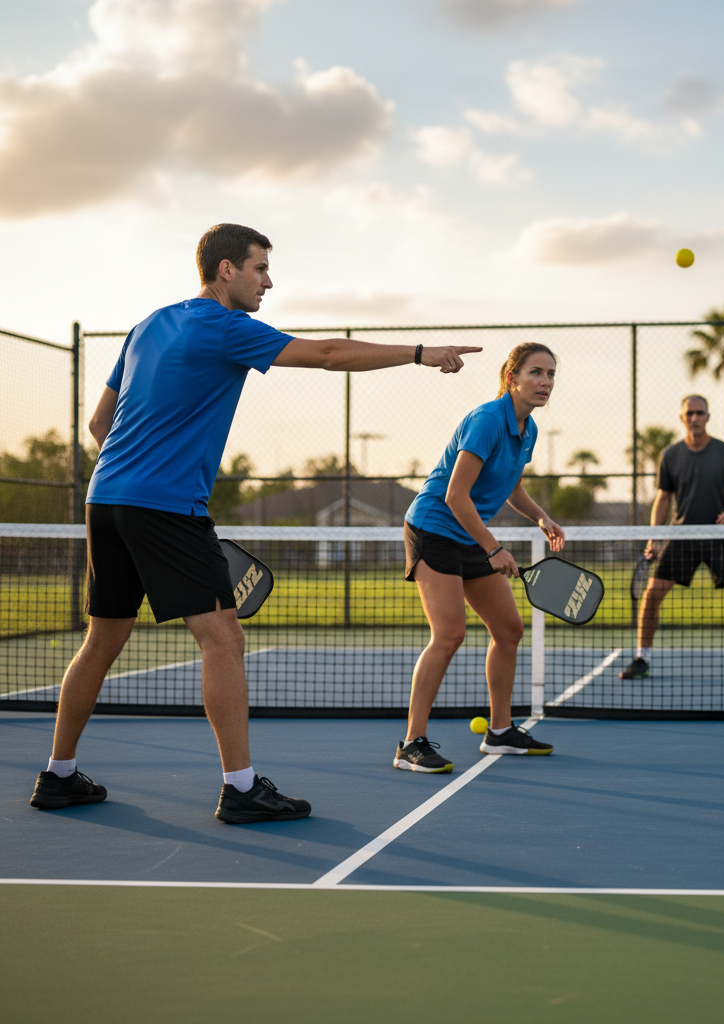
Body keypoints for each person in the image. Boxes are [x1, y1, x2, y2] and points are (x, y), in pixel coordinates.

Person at [29, 223, 481, 823]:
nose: (268, 280)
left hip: (106, 497)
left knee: (104, 638)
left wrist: (142, 459)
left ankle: (58, 776)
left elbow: (98, 424)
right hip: (166, 506)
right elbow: (327, 354)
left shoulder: (148, 325)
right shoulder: (225, 327)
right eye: (260, 268)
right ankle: (240, 789)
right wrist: (422, 353)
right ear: (225, 270)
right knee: (223, 638)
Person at [396, 343, 565, 773]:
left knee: (508, 629)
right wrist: (493, 548)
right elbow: (455, 495)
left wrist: (541, 518)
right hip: (434, 527)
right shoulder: (489, 420)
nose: (545, 381)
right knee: (450, 634)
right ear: (512, 378)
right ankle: (411, 742)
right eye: (536, 373)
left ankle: (501, 731)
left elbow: (510, 486)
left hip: (469, 532)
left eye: (550, 374)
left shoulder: (527, 430)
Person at [619, 394, 724, 682]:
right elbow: (663, 499)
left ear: (708, 417)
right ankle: (642, 658)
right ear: (682, 417)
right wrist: (656, 536)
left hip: (721, 537)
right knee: (651, 596)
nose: (694, 418)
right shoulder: (670, 455)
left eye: (700, 413)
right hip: (682, 537)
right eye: (689, 413)